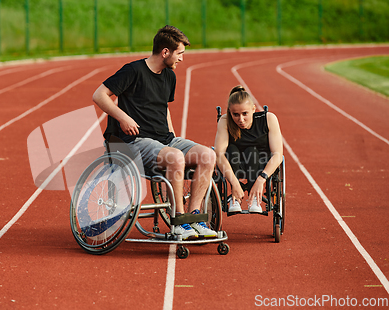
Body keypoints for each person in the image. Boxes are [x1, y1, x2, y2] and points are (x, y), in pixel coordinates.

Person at [92, 25, 217, 240]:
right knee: (175, 157)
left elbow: (163, 108)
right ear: (165, 52)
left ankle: (195, 217)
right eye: (180, 54)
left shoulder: (169, 76)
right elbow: (99, 95)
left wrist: (173, 136)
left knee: (208, 155)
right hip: (134, 142)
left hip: (164, 140)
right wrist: (123, 118)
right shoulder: (133, 71)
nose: (182, 59)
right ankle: (179, 221)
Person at [214, 86, 283, 213]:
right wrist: (235, 184)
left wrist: (261, 179)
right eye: (235, 114)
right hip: (234, 164)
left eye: (245, 114)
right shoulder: (224, 121)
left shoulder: (269, 119)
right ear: (229, 112)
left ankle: (255, 199)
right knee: (232, 149)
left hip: (261, 165)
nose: (241, 120)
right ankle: (235, 199)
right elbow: (219, 154)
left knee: (252, 150)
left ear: (253, 109)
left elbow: (278, 155)